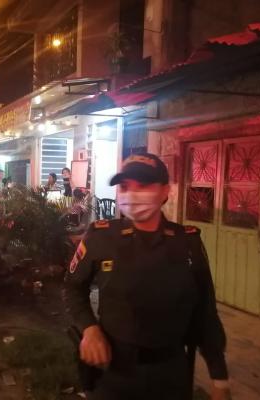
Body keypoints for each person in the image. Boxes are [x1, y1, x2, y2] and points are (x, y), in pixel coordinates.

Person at [64, 153, 230, 400]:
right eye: (124, 186)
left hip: (170, 375)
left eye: (143, 185)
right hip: (112, 373)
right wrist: (89, 329)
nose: (132, 194)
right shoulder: (101, 237)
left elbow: (205, 312)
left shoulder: (187, 243)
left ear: (165, 191)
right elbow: (73, 288)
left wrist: (220, 379)